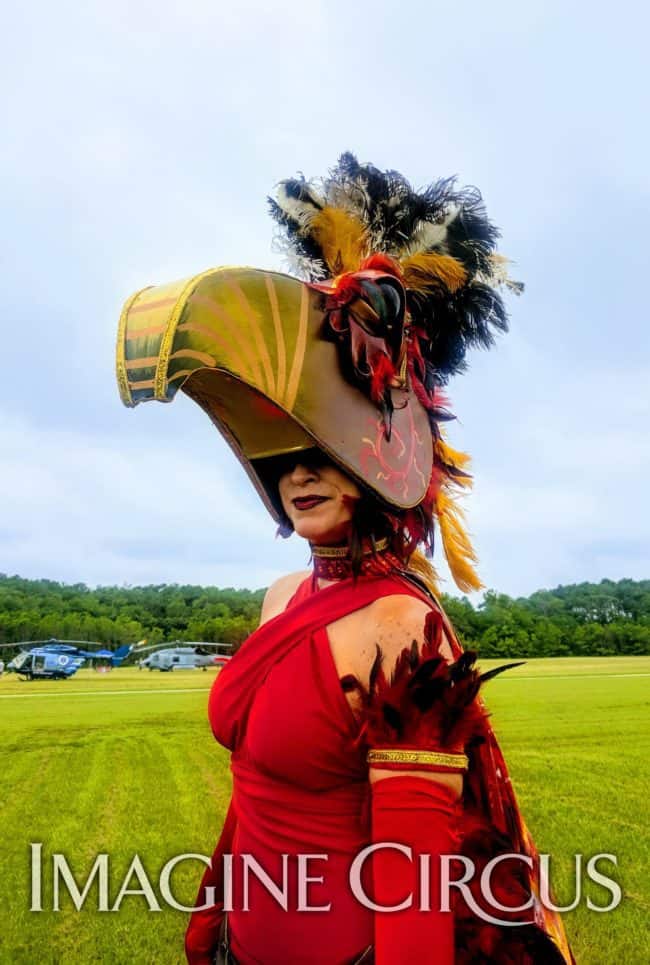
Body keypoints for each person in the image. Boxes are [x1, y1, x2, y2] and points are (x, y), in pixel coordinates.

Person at [116, 154, 575, 964]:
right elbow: (253, 792)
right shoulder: (281, 594)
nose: (297, 473)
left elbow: (413, 886)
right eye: (280, 454)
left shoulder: (403, 627)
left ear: (377, 457)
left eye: (318, 448)